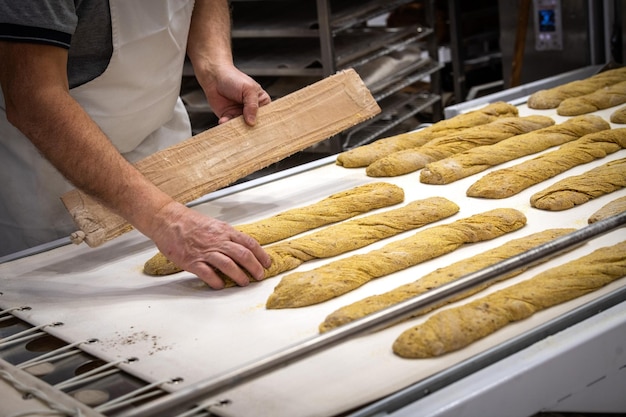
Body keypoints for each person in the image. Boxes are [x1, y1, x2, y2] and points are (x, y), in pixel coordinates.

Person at [0, 0, 273, 289]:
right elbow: (32, 98)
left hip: (159, 141)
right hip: (50, 176)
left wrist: (214, 63)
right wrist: (163, 218)